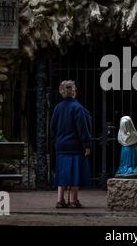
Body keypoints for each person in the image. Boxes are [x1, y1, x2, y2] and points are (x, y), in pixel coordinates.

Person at [50, 80, 91, 208]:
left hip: (61, 146)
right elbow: (83, 129)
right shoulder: (78, 108)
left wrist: (57, 140)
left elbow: (52, 128)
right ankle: (74, 200)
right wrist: (87, 145)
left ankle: (60, 200)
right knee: (75, 173)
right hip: (75, 146)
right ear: (74, 92)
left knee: (61, 171)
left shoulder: (57, 107)